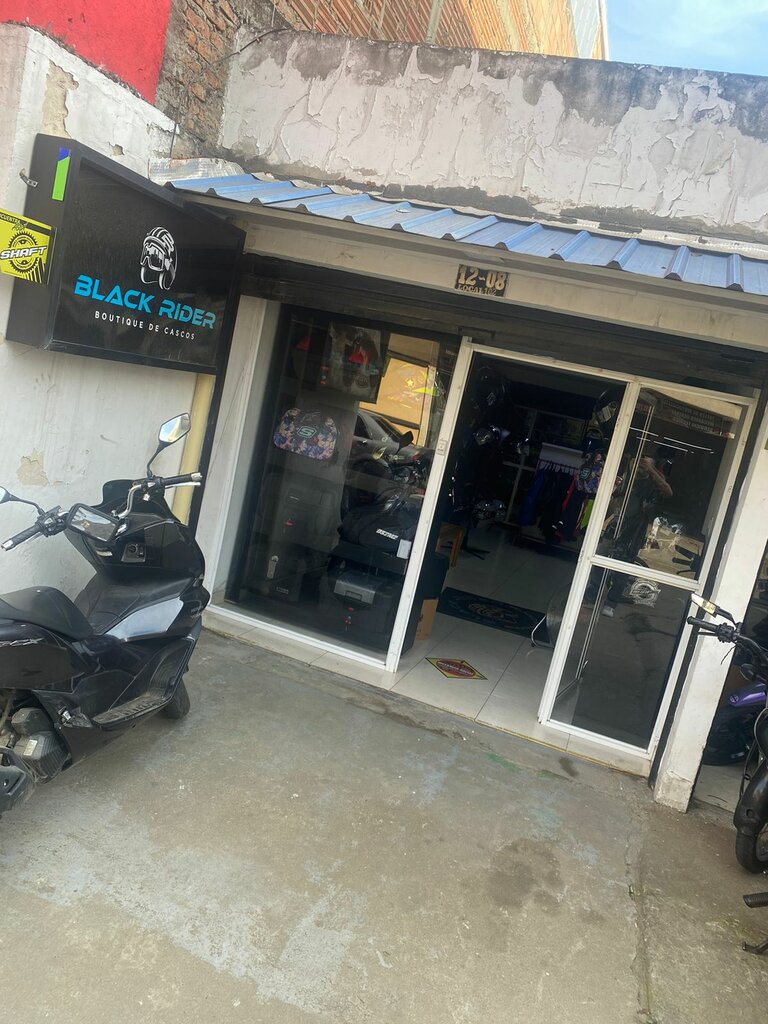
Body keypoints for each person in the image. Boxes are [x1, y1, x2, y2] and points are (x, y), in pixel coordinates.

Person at [602, 446, 674, 616]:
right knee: (600, 557)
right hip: (617, 524)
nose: (641, 467)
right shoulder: (628, 479)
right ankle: (591, 595)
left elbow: (668, 492)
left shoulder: (654, 482)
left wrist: (651, 471)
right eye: (639, 463)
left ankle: (611, 603)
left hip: (634, 530)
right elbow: (614, 500)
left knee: (623, 566)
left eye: (645, 464)